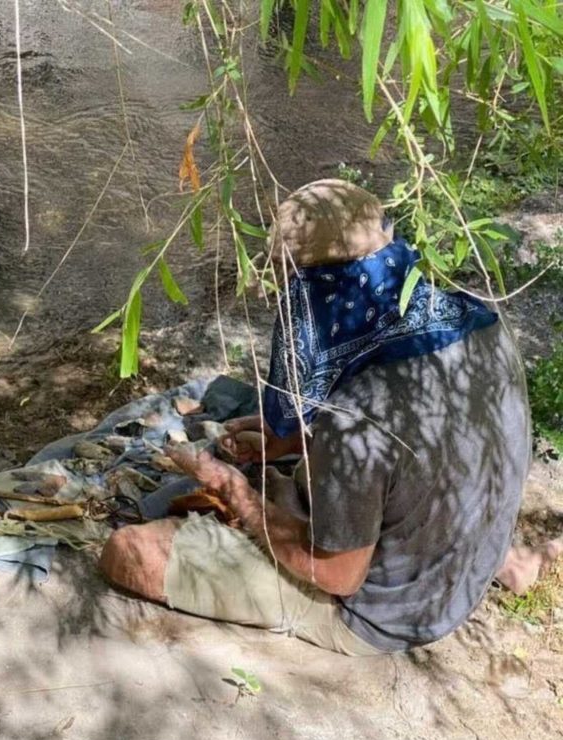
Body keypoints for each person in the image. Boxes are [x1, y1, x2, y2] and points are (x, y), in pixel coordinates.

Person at [99, 179, 532, 655]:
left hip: (380, 613)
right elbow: (425, 441)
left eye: (288, 285)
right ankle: (509, 563)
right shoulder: (483, 320)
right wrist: (289, 443)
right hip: (458, 565)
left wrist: (235, 493)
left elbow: (337, 574)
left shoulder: (356, 416)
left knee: (128, 553)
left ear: (318, 293)